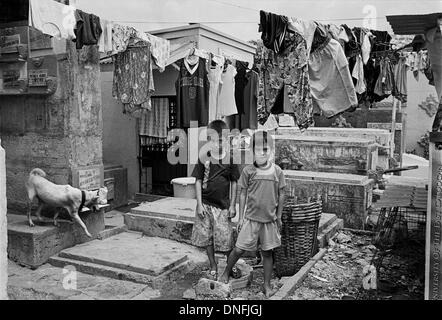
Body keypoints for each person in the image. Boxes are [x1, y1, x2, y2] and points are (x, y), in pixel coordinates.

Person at [220, 130, 286, 298]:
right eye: (258, 150)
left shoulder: (277, 171)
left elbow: (282, 194)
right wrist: (241, 217)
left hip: (269, 220)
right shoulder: (248, 171)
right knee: (239, 249)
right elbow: (242, 193)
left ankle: (266, 284)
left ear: (270, 150)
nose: (262, 153)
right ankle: (226, 272)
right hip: (250, 219)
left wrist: (278, 216)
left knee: (267, 253)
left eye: (265, 149)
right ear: (252, 152)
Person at [191, 120, 242, 280]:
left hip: (223, 207)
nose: (218, 144)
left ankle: (229, 265)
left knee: (226, 238)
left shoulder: (231, 159)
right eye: (214, 140)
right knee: (206, 237)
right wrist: (199, 204)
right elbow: (198, 180)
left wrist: (233, 205)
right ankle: (213, 265)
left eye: (221, 140)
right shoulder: (203, 158)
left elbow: (234, 183)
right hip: (205, 205)